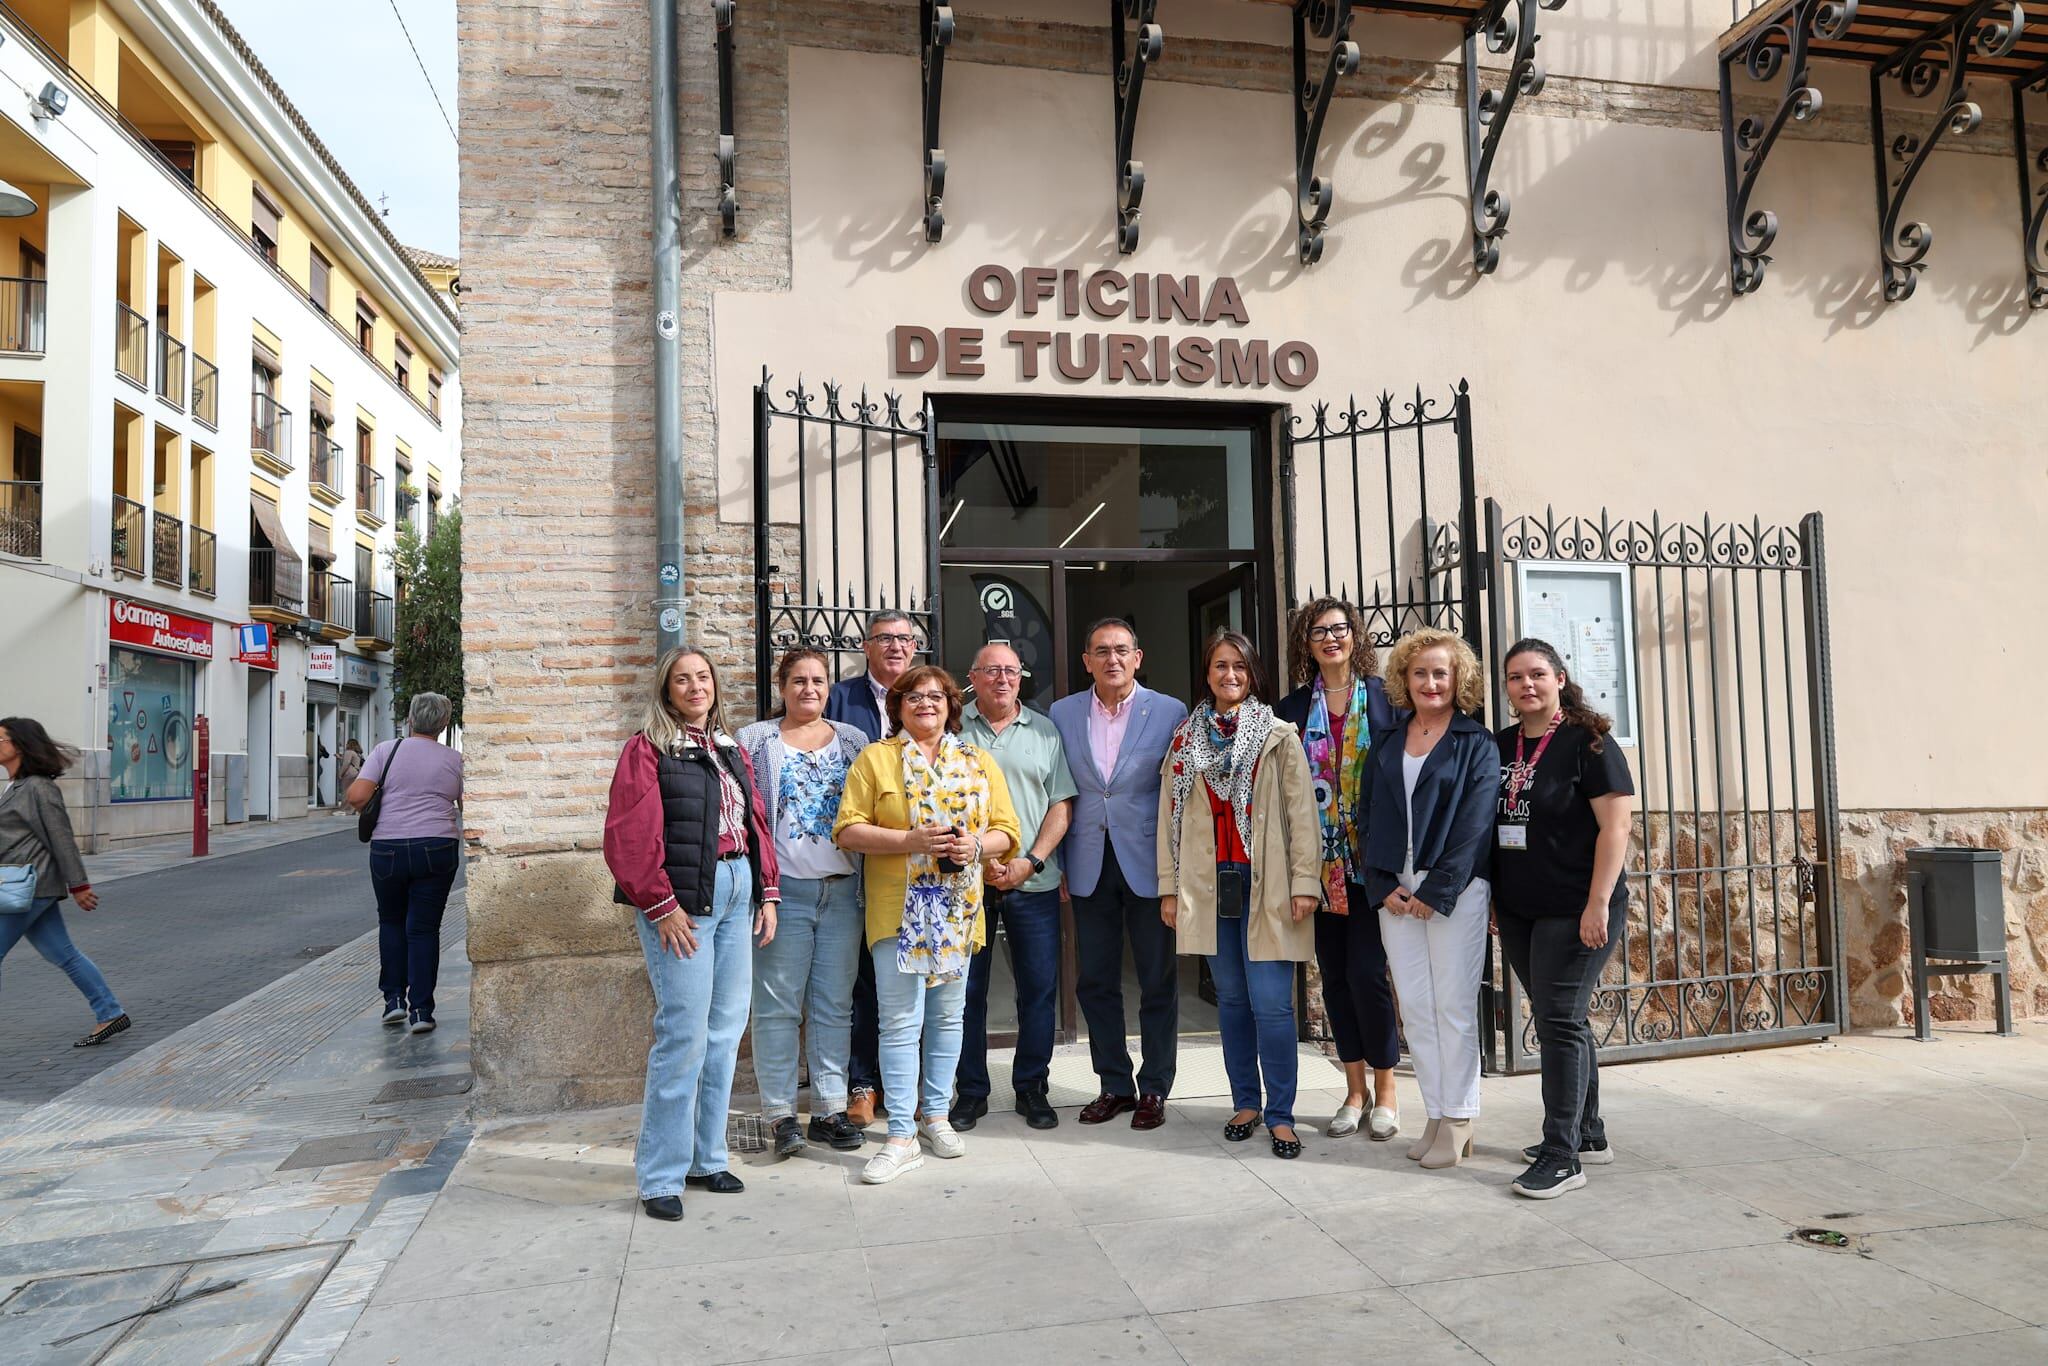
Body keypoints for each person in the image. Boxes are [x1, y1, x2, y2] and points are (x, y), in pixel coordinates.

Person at [604, 647, 780, 1222]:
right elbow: (629, 834)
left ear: (714, 686)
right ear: (667, 691)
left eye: (703, 676)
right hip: (683, 902)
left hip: (735, 891)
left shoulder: (729, 749)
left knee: (726, 1032)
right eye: (683, 679)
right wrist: (659, 904)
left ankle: (708, 1157)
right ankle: (660, 1175)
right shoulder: (647, 748)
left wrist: (767, 891)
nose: (695, 686)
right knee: (683, 1036)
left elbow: (755, 822)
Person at [834, 665, 1019, 1184]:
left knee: (947, 1017)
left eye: (935, 696)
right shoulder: (877, 758)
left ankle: (936, 1115)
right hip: (898, 909)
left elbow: (1007, 830)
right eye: (913, 697)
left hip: (959, 912)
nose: (925, 704)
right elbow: (848, 830)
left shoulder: (977, 760)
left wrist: (977, 846)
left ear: (950, 706)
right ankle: (900, 1135)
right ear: (897, 706)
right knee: (898, 1021)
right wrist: (908, 841)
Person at [1158, 632, 1321, 1159]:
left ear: (1252, 675)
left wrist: (1304, 884)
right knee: (1230, 1001)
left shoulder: (1277, 735)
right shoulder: (1184, 739)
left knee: (1273, 1006)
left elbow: (1302, 817)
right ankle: (1245, 1103)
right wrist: (1168, 889)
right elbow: (1168, 820)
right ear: (1206, 672)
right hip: (1208, 888)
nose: (1229, 676)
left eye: (1240, 668)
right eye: (1219, 666)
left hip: (1267, 885)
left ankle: (1281, 1114)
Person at [1493, 638, 1636, 1199]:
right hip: (1521, 908)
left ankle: (1561, 1152)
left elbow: (1615, 829)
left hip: (1577, 908)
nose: (1526, 685)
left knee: (1556, 1021)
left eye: (1536, 674)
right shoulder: (1502, 745)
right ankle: (1589, 1131)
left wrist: (1598, 902)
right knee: (1564, 1018)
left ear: (1559, 677)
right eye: (1514, 677)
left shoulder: (1590, 743)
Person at [1356, 628, 1498, 1170]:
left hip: (1454, 891)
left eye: (1441, 672)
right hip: (1396, 891)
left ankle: (1460, 1118)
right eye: (1420, 672)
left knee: (1453, 1007)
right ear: (1404, 679)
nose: (1431, 682)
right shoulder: (1389, 741)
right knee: (1415, 1007)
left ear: (1457, 678)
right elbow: (1366, 818)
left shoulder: (1475, 743)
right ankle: (1437, 1115)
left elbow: (1475, 824)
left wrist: (1436, 890)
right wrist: (1382, 884)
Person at [1049, 618, 1187, 1130]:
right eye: (1101, 650)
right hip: (1087, 866)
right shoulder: (1062, 713)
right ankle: (1113, 1085)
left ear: (1138, 657)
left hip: (1149, 866)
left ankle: (1154, 1088)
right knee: (1097, 981)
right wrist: (1058, 860)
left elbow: (1182, 794)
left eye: (1121, 650)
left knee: (1157, 980)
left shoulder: (1171, 712)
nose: (1112, 659)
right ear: (1086, 661)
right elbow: (1056, 792)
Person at [1275, 597, 1403, 1141]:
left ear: (1356, 637)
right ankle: (1354, 1090)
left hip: (1372, 865)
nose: (1331, 639)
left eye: (1340, 629)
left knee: (1370, 976)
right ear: (1305, 643)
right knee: (1335, 980)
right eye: (1318, 632)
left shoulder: (1386, 699)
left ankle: (1388, 1089)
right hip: (1316, 867)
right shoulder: (1290, 709)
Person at [737, 649, 872, 1158]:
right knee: (777, 1008)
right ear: (782, 686)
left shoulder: (854, 740)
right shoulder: (756, 741)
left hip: (843, 891)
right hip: (783, 894)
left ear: (829, 686)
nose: (809, 688)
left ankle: (829, 1109)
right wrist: (760, 891)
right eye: (798, 680)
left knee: (834, 1006)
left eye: (818, 680)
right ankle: (779, 1115)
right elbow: (751, 820)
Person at [953, 642, 1076, 1132]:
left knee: (1038, 991)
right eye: (991, 671)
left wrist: (1031, 860)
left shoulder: (1044, 730)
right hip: (964, 883)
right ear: (973, 676)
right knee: (967, 992)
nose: (1001, 679)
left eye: (1010, 671)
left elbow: (1061, 806)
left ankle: (1032, 1087)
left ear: (1021, 677)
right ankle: (971, 1092)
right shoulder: (951, 727)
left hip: (1034, 880)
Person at [826, 609, 920, 1128]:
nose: (896, 647)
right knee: (863, 979)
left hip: (922, 869)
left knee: (917, 977)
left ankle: (918, 1086)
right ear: (866, 645)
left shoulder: (928, 699)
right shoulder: (839, 699)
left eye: (905, 639)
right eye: (885, 638)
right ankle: (863, 1084)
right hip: (854, 862)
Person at [0, 717, 129, 1047]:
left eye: (0, 739)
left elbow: (61, 839)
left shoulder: (39, 788)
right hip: (26, 888)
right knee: (64, 954)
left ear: (19, 745)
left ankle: (110, 1011)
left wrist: (79, 885)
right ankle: (110, 1012)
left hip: (28, 888)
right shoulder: (16, 786)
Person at [346, 693, 465, 1035]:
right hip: (437, 847)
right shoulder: (454, 760)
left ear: (411, 720)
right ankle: (422, 1012)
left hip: (388, 850)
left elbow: (357, 796)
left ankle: (394, 1001)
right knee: (424, 929)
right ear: (443, 724)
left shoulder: (386, 751)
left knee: (391, 921)